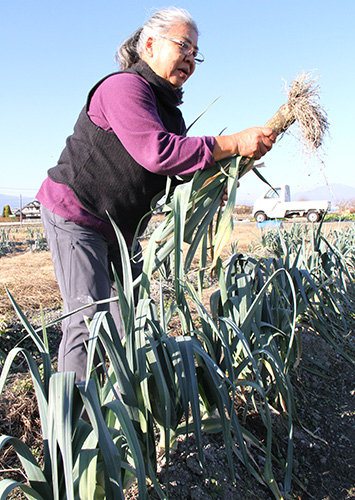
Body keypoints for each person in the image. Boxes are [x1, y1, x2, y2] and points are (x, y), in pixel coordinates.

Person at [37, 7, 276, 383]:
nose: (190, 59)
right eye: (183, 46)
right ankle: (74, 431)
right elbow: (158, 152)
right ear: (149, 44)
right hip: (76, 215)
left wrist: (228, 172)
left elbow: (178, 175)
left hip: (117, 229)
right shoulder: (123, 88)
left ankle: (122, 408)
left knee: (130, 314)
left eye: (195, 53)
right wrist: (233, 142)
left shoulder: (169, 112)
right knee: (87, 322)